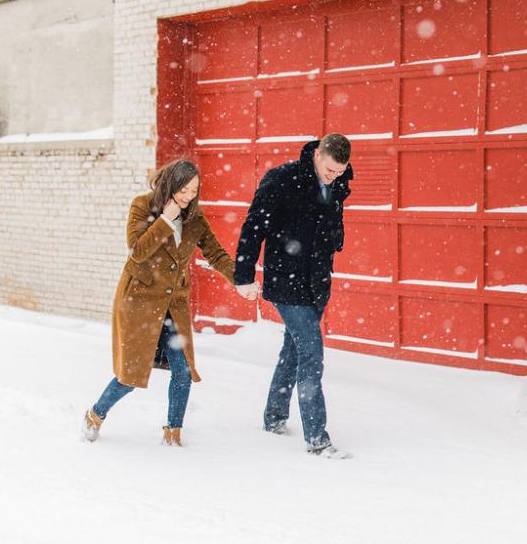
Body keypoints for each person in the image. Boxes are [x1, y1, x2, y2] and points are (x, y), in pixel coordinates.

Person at [82, 159, 235, 446]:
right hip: (139, 302)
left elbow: (216, 253)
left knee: (183, 372)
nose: (189, 197)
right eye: (183, 190)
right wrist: (165, 220)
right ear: (170, 185)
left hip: (172, 305)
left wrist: (240, 279)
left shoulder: (194, 217)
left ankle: (172, 433)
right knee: (130, 376)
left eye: (194, 191)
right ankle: (95, 415)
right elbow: (138, 250)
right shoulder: (142, 206)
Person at [234, 134, 353, 458]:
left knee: (294, 351)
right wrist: (243, 275)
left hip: (316, 283)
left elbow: (328, 228)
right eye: (329, 170)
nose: (333, 177)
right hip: (286, 280)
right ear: (317, 155)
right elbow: (253, 227)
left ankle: (274, 417)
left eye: (339, 172)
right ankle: (317, 439)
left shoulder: (336, 183)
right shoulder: (282, 179)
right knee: (311, 352)